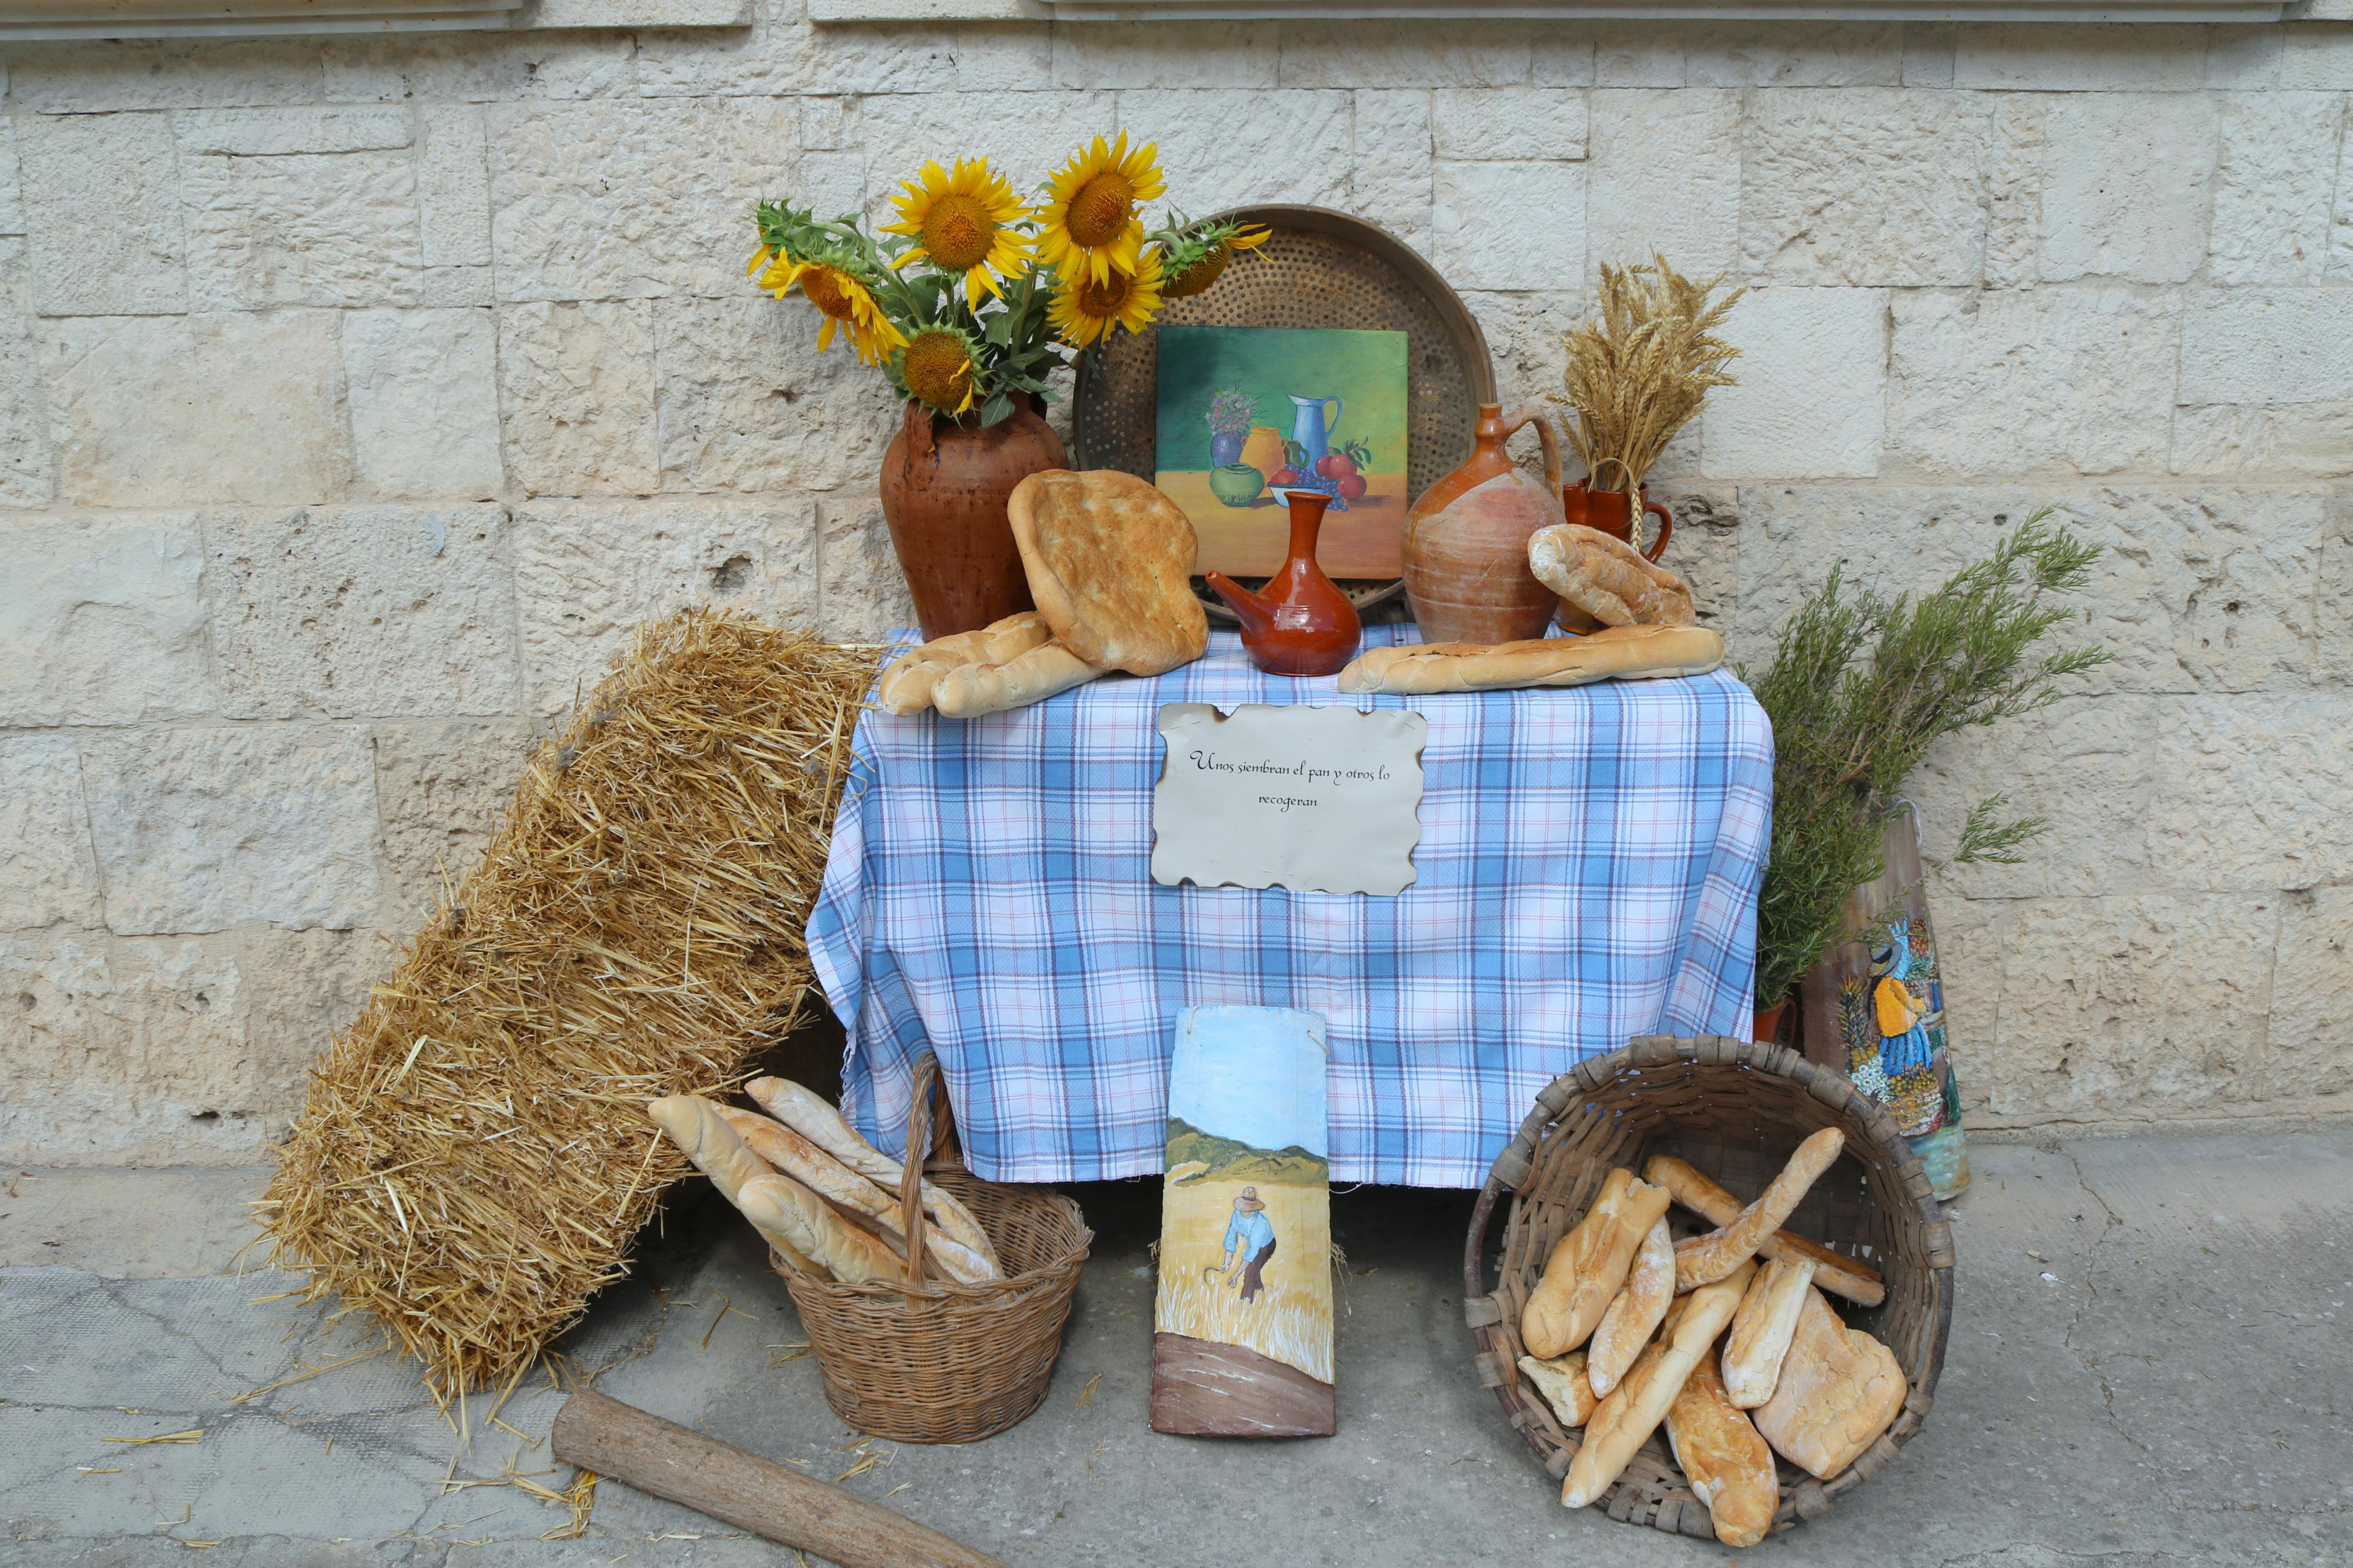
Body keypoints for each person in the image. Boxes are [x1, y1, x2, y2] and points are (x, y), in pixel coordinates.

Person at [1220, 1187, 1276, 1303]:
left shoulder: (1259, 1224)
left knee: (1250, 1274)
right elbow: (1231, 1238)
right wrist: (1227, 1262)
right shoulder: (1236, 1215)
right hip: (1255, 1246)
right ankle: (1263, 1296)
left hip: (1267, 1245)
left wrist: (1235, 1275)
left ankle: (1245, 1306)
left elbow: (1251, 1253)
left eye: (1248, 1208)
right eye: (1244, 1207)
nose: (1245, 1211)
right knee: (1254, 1272)